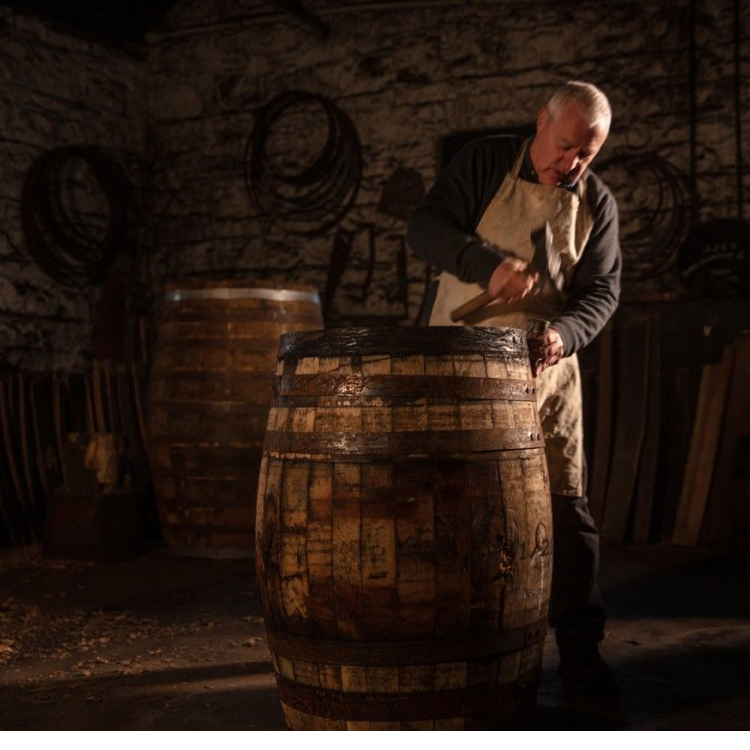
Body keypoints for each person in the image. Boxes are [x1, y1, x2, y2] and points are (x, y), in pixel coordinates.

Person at [407, 81, 621, 694]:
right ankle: (443, 642)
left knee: (566, 509)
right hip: (459, 362)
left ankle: (581, 652)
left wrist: (565, 334)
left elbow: (602, 292)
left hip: (544, 370)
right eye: (562, 147)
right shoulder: (481, 163)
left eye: (586, 154)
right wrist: (487, 266)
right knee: (451, 504)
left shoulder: (596, 203)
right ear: (541, 122)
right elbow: (423, 229)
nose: (570, 163)